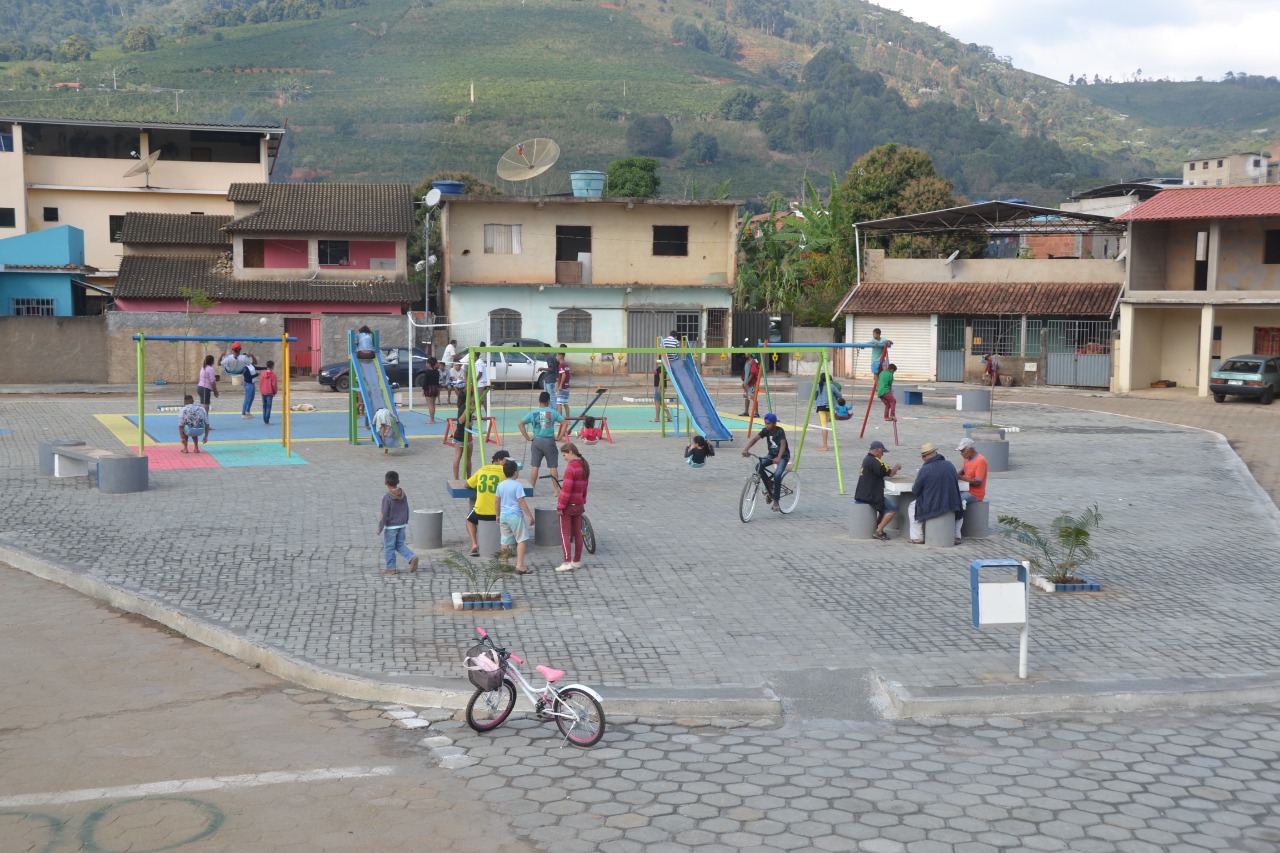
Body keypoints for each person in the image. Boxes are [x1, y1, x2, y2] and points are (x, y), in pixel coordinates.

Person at [908, 442, 964, 545]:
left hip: (933, 504)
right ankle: (957, 536)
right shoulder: (950, 465)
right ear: (936, 453)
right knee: (962, 505)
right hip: (953, 502)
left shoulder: (924, 470)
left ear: (925, 457)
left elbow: (915, 491)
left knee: (912, 507)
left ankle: (917, 537)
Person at [740, 413, 790, 512]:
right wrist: (746, 449)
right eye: (765, 423)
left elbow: (783, 444)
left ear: (774, 423)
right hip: (771, 455)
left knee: (777, 475)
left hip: (782, 456)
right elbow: (755, 439)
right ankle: (769, 484)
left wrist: (779, 458)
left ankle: (776, 502)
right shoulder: (765, 430)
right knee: (759, 466)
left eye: (769, 423)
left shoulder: (780, 431)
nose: (767, 425)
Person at [518, 391, 564, 497]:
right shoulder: (553, 412)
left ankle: (532, 488)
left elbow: (520, 423)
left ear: (539, 401)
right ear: (548, 401)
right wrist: (560, 436)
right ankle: (556, 490)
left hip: (536, 441)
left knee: (535, 466)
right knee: (553, 466)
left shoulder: (533, 413)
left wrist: (528, 437)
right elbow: (564, 423)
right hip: (549, 441)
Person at [854, 440, 902, 540]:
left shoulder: (866, 459)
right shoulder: (875, 461)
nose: (883, 454)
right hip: (870, 495)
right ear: (876, 450)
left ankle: (877, 527)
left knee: (883, 509)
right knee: (892, 509)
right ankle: (878, 531)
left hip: (862, 493)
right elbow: (890, 473)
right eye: (882, 451)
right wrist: (897, 467)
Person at [465, 449, 510, 557]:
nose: (507, 463)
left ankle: (474, 543)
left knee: (469, 521)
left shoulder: (482, 469)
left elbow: (467, 485)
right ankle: (510, 544)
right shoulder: (505, 472)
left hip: (480, 511)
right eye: (506, 461)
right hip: (498, 514)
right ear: (499, 461)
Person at [555, 442, 590, 572]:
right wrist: (583, 500)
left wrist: (560, 506)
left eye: (564, 455)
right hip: (579, 504)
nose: (564, 458)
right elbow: (585, 487)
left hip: (568, 506)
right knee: (578, 533)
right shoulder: (583, 465)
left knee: (564, 534)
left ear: (571, 452)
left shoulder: (571, 468)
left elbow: (566, 490)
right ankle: (577, 560)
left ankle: (566, 561)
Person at [496, 459, 535, 575]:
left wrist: (497, 515)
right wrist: (530, 516)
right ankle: (520, 565)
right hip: (515, 516)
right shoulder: (517, 485)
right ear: (515, 472)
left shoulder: (500, 485)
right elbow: (521, 501)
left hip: (503, 515)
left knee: (505, 540)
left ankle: (505, 564)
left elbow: (497, 502)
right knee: (522, 539)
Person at [377, 470, 419, 577]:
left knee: (389, 547)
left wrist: (380, 528)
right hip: (402, 524)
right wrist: (406, 521)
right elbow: (406, 508)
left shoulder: (387, 497)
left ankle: (391, 568)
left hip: (391, 526)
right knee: (399, 544)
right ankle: (411, 557)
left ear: (385, 482)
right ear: (398, 481)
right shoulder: (403, 494)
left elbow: (384, 513)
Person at [955, 437, 989, 540]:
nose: (961, 453)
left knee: (956, 500)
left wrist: (961, 478)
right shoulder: (967, 460)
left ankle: (956, 533)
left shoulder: (981, 461)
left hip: (975, 493)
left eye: (963, 451)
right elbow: (962, 472)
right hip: (966, 489)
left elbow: (978, 481)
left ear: (970, 449)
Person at [554, 351, 572, 435]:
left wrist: (560, 385)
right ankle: (568, 419)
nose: (556, 357)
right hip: (567, 387)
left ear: (560, 356)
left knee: (559, 404)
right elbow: (569, 375)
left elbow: (564, 375)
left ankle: (560, 420)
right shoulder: (566, 364)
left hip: (563, 387)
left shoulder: (561, 365)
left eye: (557, 356)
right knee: (565, 404)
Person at [420, 356, 440, 424]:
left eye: (426, 363)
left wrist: (424, 390)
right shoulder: (436, 371)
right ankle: (433, 418)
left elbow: (425, 382)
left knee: (430, 405)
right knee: (433, 404)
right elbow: (437, 382)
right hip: (435, 388)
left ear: (429, 364)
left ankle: (432, 419)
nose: (426, 364)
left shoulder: (427, 372)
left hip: (429, 388)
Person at [815, 373, 832, 451]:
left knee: (823, 426)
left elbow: (815, 396)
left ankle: (825, 445)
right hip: (829, 407)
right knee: (826, 424)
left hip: (821, 407)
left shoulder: (818, 386)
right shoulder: (831, 386)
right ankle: (825, 445)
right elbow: (839, 394)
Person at [258, 360, 279, 425]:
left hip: (263, 392)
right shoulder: (273, 375)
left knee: (264, 405)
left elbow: (260, 382)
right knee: (268, 406)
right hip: (269, 392)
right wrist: (275, 392)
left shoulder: (262, 374)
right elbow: (274, 385)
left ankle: (265, 420)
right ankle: (267, 420)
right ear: (272, 366)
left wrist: (261, 390)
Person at [741, 351, 760, 417]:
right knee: (746, 397)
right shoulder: (747, 362)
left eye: (746, 353)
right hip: (746, 383)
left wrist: (747, 382)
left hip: (751, 383)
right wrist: (744, 382)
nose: (745, 353)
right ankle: (746, 412)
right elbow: (745, 373)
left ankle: (756, 413)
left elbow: (752, 373)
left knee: (753, 397)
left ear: (749, 354)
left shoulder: (753, 363)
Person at [239, 354, 258, 419]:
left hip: (253, 383)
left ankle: (248, 411)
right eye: (248, 357)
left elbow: (256, 366)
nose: (250, 359)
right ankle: (243, 413)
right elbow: (249, 377)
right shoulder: (245, 367)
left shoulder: (251, 364)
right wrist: (257, 374)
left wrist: (266, 368)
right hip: (248, 383)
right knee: (247, 398)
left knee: (252, 398)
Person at [442, 339, 458, 403]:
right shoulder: (451, 347)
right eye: (456, 343)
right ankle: (447, 384)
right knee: (448, 378)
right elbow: (454, 356)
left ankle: (448, 384)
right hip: (447, 364)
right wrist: (460, 355)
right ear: (454, 343)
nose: (456, 345)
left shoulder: (448, 346)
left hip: (446, 364)